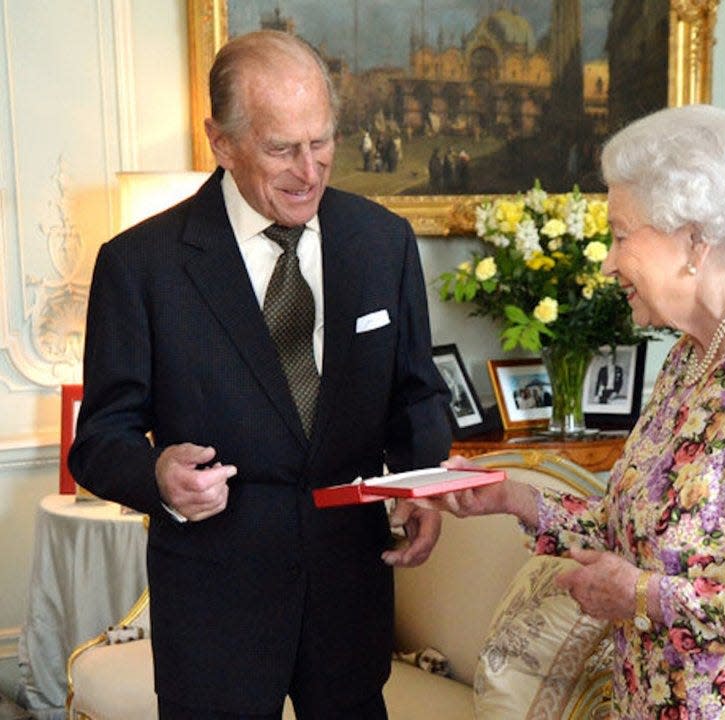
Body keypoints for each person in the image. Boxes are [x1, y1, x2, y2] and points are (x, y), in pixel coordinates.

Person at [428, 105, 725, 718]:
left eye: (620, 235)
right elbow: (647, 530)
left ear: (694, 240)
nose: (609, 262)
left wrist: (642, 596)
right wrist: (513, 497)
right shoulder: (694, 356)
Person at [68, 30, 451, 719]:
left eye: (322, 142)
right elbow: (100, 438)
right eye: (281, 149)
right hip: (216, 605)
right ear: (221, 142)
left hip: (350, 596)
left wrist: (421, 485)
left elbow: (416, 393)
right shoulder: (141, 264)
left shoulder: (381, 240)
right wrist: (158, 476)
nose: (310, 171)